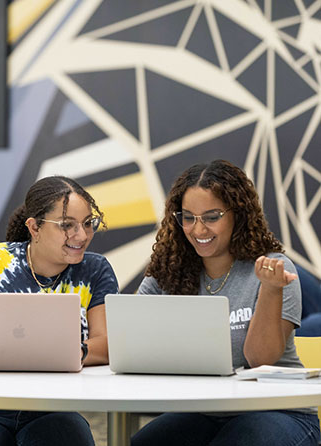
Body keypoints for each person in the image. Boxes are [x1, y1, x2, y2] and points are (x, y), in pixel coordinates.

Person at [131, 160, 320, 446]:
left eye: (211, 216)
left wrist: (270, 290)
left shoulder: (274, 269)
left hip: (278, 410)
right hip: (206, 412)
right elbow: (132, 343)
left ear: (238, 215)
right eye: (188, 217)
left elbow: (261, 359)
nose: (198, 229)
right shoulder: (166, 273)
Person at [0, 175, 118, 446]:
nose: (81, 236)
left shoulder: (95, 270)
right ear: (34, 227)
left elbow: (108, 344)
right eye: (67, 225)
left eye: (88, 223)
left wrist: (70, 353)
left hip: (52, 408)